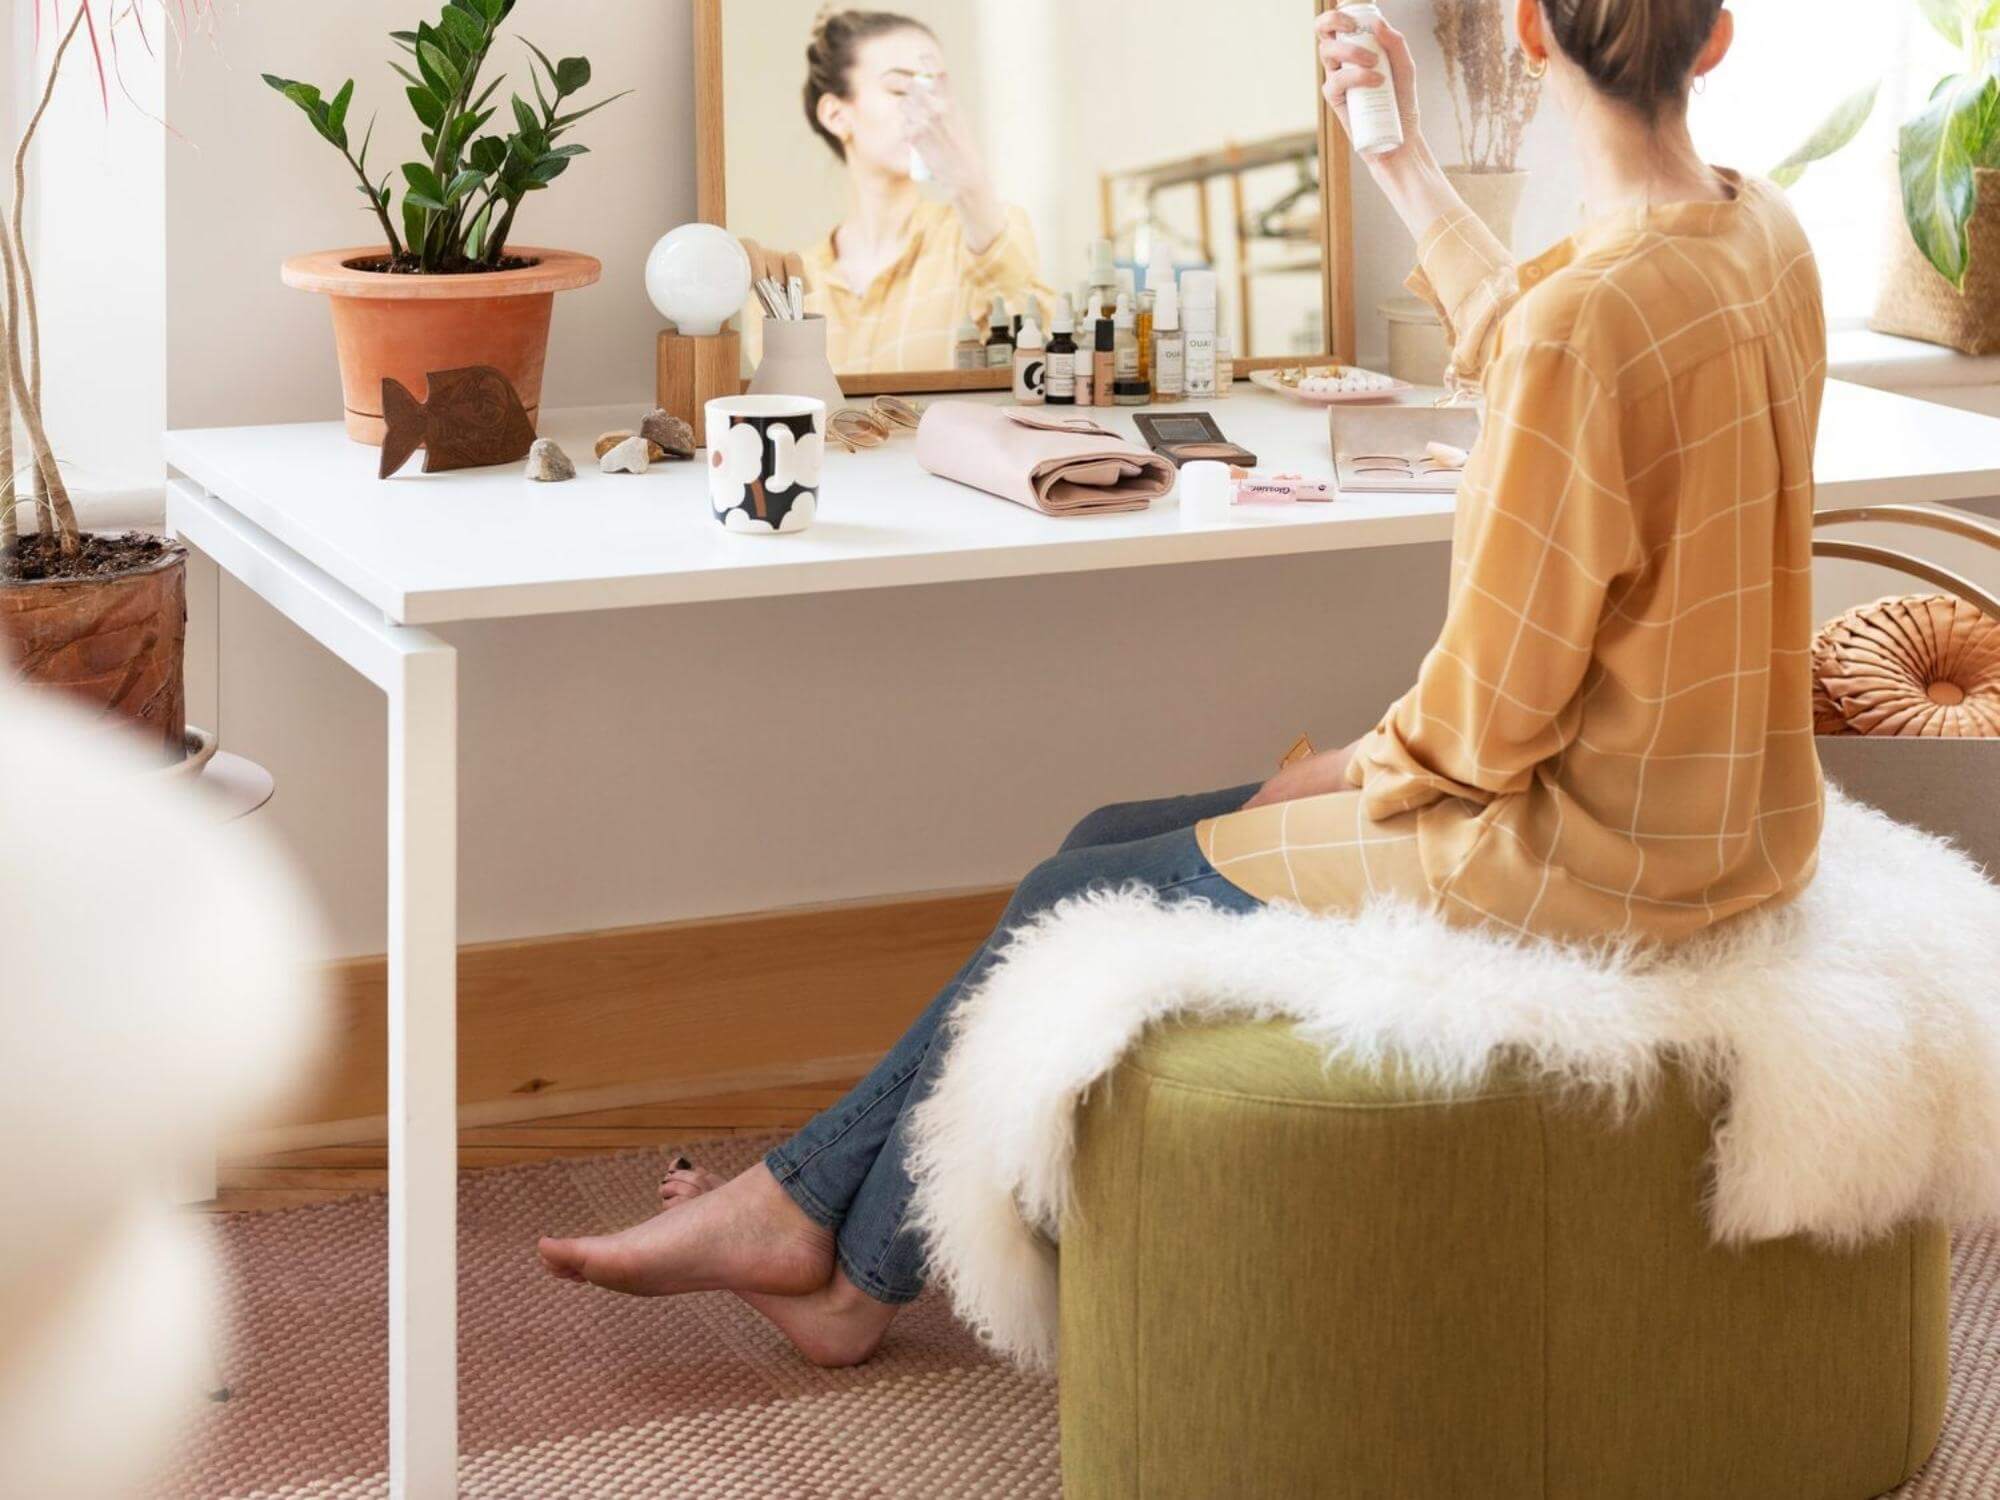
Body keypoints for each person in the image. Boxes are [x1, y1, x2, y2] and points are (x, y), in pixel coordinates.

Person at [542, 0, 1824, 1367]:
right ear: (1720, 37)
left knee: (1076, 888)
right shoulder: (1761, 232)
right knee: (1103, 840)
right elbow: (1553, 340)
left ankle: (804, 1227)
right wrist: (1395, 161)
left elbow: (1485, 724)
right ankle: (841, 1271)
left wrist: (1323, 776)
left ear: (1526, 32)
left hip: (1587, 851)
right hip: (1727, 819)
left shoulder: (1586, 320)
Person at [742, 8, 1054, 375]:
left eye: (935, 92)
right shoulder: (786, 289)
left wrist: (969, 179)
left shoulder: (983, 234)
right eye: (900, 88)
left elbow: (1042, 352)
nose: (926, 109)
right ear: (835, 115)